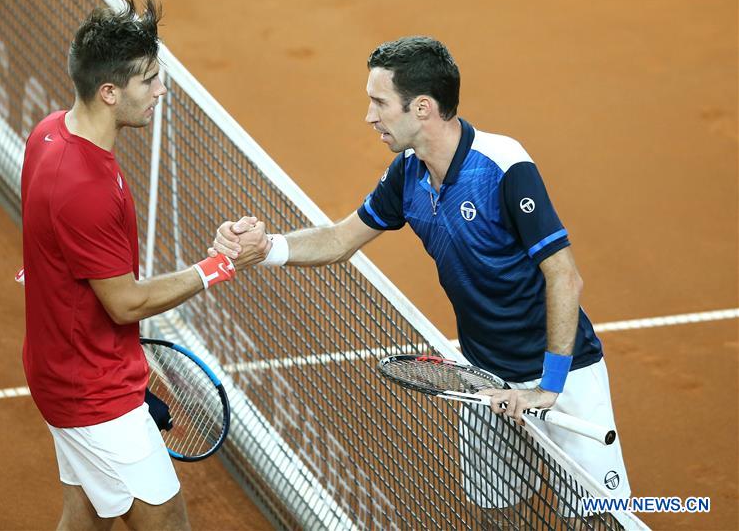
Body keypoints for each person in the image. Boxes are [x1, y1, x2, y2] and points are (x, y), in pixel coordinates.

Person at [212, 36, 630, 517]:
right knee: (497, 513)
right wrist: (266, 248)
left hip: (563, 374)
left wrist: (548, 387)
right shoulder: (407, 174)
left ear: (423, 108)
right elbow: (339, 239)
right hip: (485, 376)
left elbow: (564, 277)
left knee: (598, 520)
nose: (370, 117)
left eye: (380, 103)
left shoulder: (503, 166)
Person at [20, 0, 268, 530]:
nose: (160, 90)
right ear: (110, 92)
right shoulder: (84, 187)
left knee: (86, 515)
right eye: (149, 80)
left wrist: (129, 370)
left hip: (70, 367)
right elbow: (125, 303)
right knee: (168, 522)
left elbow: (60, 263)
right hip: (92, 392)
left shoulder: (50, 133)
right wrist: (219, 265)